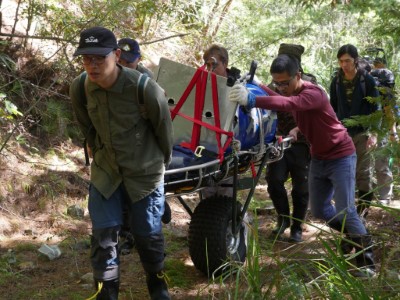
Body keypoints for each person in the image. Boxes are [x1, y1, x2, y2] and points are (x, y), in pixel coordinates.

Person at [228, 54, 376, 277]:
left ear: (298, 75)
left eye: (285, 82)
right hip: (319, 158)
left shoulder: (312, 92)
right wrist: (258, 85)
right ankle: (356, 234)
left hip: (341, 156)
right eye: (276, 83)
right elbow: (282, 98)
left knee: (346, 209)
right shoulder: (290, 91)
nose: (281, 87)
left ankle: (367, 262)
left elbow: (289, 103)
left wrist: (252, 99)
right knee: (320, 210)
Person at [69, 26, 173, 299]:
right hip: (106, 173)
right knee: (103, 239)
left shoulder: (143, 87)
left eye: (99, 58)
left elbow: (164, 129)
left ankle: (158, 286)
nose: (92, 65)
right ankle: (106, 294)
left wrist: (159, 167)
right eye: (86, 58)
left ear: (116, 55)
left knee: (148, 237)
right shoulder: (81, 87)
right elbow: (87, 128)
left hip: (144, 173)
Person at [117, 37, 171, 256]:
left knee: (146, 196)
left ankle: (153, 247)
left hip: (144, 145)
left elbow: (159, 114)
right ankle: (129, 236)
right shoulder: (109, 77)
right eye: (121, 61)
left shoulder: (145, 79)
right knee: (124, 195)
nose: (125, 67)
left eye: (129, 63)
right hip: (122, 144)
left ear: (138, 59)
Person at [266, 43, 310, 243]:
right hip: (279, 142)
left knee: (301, 187)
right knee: (275, 181)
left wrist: (299, 130)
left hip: (302, 144)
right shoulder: (273, 85)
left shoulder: (309, 84)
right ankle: (282, 219)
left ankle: (297, 226)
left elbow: (317, 115)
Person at [329, 44, 379, 218]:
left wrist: (374, 133)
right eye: (341, 61)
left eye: (348, 61)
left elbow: (375, 108)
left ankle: (362, 213)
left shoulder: (367, 80)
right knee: (343, 173)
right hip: (343, 134)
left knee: (363, 173)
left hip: (363, 133)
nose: (344, 65)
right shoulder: (336, 81)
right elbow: (332, 108)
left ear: (355, 60)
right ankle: (347, 212)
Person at [200, 44, 241, 200]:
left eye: (214, 64)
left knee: (226, 195)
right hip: (206, 146)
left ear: (225, 63)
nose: (210, 69)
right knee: (207, 194)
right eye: (207, 65)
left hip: (229, 148)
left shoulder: (238, 85)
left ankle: (232, 222)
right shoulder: (203, 83)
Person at [370, 57, 397, 204]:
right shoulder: (382, 91)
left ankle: (384, 196)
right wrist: (393, 133)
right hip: (378, 130)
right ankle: (384, 196)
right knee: (381, 163)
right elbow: (390, 113)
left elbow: (389, 112)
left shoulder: (376, 88)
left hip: (377, 130)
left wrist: (393, 132)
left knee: (380, 163)